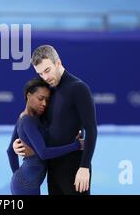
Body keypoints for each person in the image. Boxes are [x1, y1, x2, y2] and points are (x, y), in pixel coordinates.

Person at [13, 45, 97, 195]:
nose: (45, 77)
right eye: (40, 74)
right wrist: (17, 143)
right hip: (52, 167)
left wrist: (84, 167)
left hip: (74, 166)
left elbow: (91, 129)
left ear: (58, 62)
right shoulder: (47, 91)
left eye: (47, 70)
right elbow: (31, 120)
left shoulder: (78, 88)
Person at [7, 77, 84, 195]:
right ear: (28, 96)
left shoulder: (28, 118)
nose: (44, 103)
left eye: (47, 100)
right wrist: (76, 145)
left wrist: (17, 175)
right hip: (26, 186)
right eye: (40, 98)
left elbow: (10, 151)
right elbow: (43, 153)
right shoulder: (27, 120)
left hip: (27, 182)